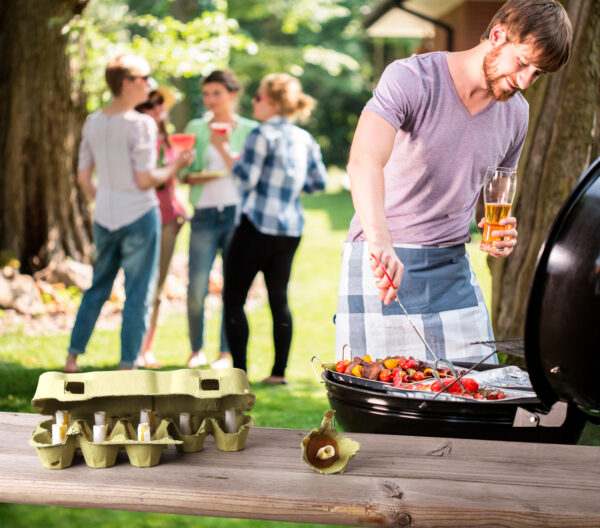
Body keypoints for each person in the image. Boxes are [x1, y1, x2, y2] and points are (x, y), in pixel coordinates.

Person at [337, 0, 572, 363]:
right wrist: (380, 240)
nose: (525, 80)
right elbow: (364, 160)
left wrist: (500, 230)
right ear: (497, 35)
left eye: (537, 73)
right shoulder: (412, 78)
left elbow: (495, 190)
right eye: (523, 63)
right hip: (381, 261)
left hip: (450, 269)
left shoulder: (517, 114)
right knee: (376, 396)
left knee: (472, 394)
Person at [64, 54, 193, 373]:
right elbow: (145, 179)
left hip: (105, 216)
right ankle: (127, 365)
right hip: (139, 214)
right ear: (126, 83)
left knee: (98, 287)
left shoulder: (93, 121)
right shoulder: (142, 123)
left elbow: (83, 178)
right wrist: (176, 165)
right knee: (138, 292)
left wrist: (105, 199)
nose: (150, 84)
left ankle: (71, 358)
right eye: (144, 78)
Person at [214, 73, 328, 384]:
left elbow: (243, 180)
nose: (254, 101)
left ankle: (239, 374)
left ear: (273, 103)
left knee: (234, 299)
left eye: (259, 97)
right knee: (278, 297)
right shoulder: (304, 138)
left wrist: (225, 152)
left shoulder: (261, 135)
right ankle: (279, 374)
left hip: (255, 226)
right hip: (289, 229)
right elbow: (318, 183)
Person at [180, 71, 258, 369]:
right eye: (206, 93)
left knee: (232, 287)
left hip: (237, 215)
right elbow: (185, 173)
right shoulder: (195, 128)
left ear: (232, 94)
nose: (210, 99)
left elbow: (249, 175)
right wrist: (186, 169)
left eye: (217, 93)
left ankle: (225, 353)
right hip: (204, 214)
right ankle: (196, 349)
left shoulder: (251, 130)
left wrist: (222, 146)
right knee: (196, 288)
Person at [134, 86, 188, 368]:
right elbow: (153, 180)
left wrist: (180, 209)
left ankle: (146, 349)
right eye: (150, 104)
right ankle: (134, 348)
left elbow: (170, 183)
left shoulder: (168, 141)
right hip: (142, 218)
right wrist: (177, 164)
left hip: (169, 220)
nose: (157, 108)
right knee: (141, 286)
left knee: (158, 288)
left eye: (160, 103)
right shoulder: (138, 141)